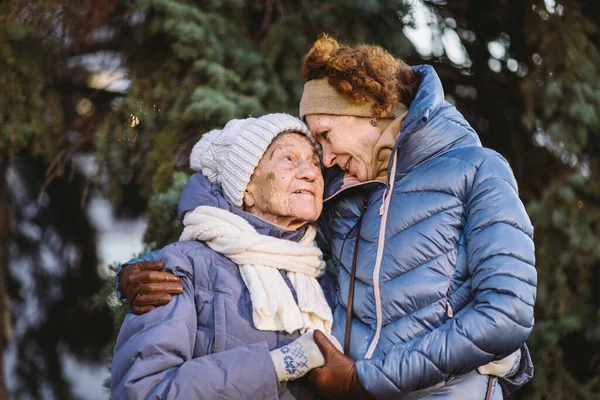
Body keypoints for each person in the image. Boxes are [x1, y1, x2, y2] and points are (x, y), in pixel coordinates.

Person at [117, 35, 536, 399]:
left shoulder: (477, 169)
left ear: (370, 110)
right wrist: (135, 277)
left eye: (324, 137)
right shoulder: (345, 194)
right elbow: (251, 220)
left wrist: (365, 379)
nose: (324, 160)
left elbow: (506, 312)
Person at [111, 113, 344, 399]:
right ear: (246, 188)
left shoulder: (328, 283)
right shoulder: (185, 267)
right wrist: (276, 366)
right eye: (288, 159)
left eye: (313, 162)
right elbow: (145, 390)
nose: (310, 172)